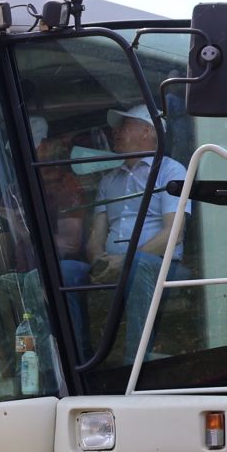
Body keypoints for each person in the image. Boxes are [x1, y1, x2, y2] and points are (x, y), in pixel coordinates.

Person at [85, 105, 188, 361]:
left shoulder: (171, 171)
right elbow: (95, 237)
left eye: (125, 125)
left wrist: (126, 261)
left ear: (147, 131)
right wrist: (99, 261)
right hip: (115, 266)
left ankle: (135, 361)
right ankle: (76, 359)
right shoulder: (109, 180)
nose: (116, 131)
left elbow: (174, 234)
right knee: (63, 272)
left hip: (160, 265)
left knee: (139, 265)